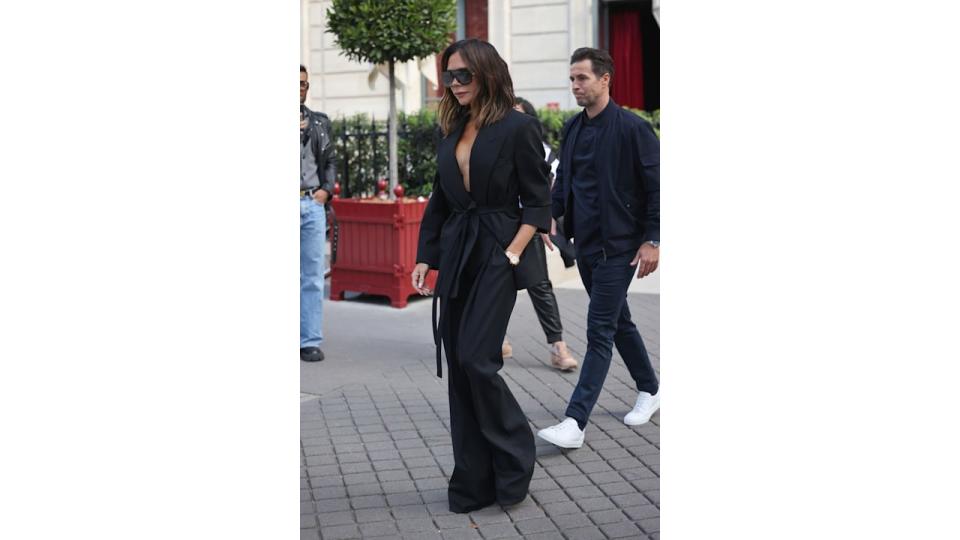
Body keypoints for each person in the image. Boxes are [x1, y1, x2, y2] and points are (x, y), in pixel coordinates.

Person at [410, 39, 551, 513]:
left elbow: (538, 202)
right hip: (458, 252)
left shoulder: (519, 128)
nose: (454, 84)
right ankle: (473, 479)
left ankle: (515, 456)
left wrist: (512, 253)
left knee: (476, 359)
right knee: (459, 369)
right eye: (449, 76)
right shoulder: (451, 130)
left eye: (463, 75)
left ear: (488, 73)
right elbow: (440, 200)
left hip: (497, 252)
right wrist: (426, 257)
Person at [536, 48, 661, 449]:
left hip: (620, 247)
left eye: (582, 78)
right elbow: (564, 182)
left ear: (605, 79)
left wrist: (653, 239)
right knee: (618, 321)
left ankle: (574, 422)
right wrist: (550, 220)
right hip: (584, 246)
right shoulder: (573, 128)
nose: (575, 85)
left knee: (599, 330)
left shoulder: (633, 129)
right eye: (572, 78)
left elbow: (658, 188)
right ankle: (651, 388)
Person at [499, 97, 578, 372]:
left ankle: (558, 345)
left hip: (528, 225)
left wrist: (543, 221)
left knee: (539, 285)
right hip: (498, 224)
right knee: (495, 284)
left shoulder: (546, 154)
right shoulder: (494, 146)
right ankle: (498, 339)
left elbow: (548, 190)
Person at [300, 64, 335, 363]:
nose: (299, 88)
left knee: (312, 276)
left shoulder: (319, 123)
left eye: (303, 84)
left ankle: (309, 340)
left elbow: (331, 159)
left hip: (312, 204)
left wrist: (327, 189)